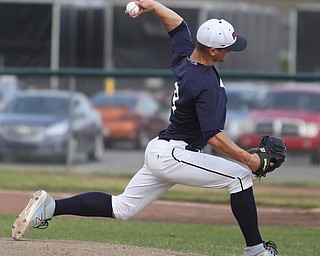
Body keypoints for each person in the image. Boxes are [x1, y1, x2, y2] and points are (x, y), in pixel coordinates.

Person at [12, 1, 278, 255]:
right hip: (174, 154)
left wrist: (153, 6)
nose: (230, 51)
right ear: (212, 50)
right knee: (240, 176)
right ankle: (256, 250)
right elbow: (215, 138)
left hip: (164, 151)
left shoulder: (187, 57)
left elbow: (178, 26)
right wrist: (250, 160)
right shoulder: (204, 83)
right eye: (227, 47)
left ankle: (50, 207)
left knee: (123, 207)